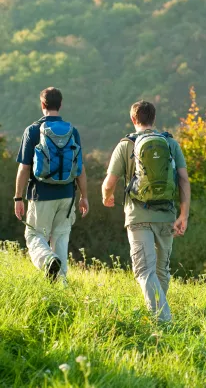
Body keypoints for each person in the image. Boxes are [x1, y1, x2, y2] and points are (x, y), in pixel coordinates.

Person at [102, 100, 190, 322]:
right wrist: (183, 214)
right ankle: (161, 316)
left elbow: (109, 182)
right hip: (167, 215)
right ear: (154, 119)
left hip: (138, 216)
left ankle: (163, 320)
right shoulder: (170, 144)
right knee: (161, 270)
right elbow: (183, 180)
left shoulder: (126, 145)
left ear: (133, 119)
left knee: (144, 270)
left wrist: (106, 197)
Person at [14, 87, 89, 281]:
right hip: (67, 195)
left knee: (33, 235)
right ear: (60, 104)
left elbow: (24, 168)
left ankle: (47, 260)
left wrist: (18, 197)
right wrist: (84, 197)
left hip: (41, 194)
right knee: (61, 240)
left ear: (42, 105)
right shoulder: (73, 131)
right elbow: (79, 169)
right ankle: (60, 287)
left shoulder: (32, 130)